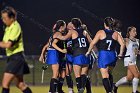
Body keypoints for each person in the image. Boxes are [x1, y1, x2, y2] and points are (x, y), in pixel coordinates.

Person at [86, 17, 125, 93]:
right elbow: (122, 44)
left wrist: (88, 52)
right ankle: (111, 89)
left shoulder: (101, 32)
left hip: (104, 55)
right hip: (113, 55)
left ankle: (109, 91)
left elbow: (92, 43)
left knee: (105, 76)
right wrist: (120, 54)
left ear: (104, 24)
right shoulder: (116, 33)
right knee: (109, 73)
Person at [0, 6, 32, 93]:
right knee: (20, 84)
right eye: (2, 18)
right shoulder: (8, 28)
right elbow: (4, 43)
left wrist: (2, 44)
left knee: (5, 84)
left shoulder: (15, 27)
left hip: (16, 58)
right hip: (14, 57)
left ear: (12, 18)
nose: (3, 20)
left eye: (5, 18)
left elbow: (8, 44)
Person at [57, 18, 92, 93]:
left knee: (77, 75)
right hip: (86, 55)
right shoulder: (84, 31)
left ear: (73, 25)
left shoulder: (72, 32)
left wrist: (56, 35)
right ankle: (83, 88)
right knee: (84, 74)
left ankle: (80, 89)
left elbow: (63, 38)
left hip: (77, 54)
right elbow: (92, 42)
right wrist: (89, 51)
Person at [113, 26, 140, 93]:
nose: (135, 32)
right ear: (129, 32)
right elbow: (118, 39)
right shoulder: (126, 40)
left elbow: (136, 51)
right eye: (133, 31)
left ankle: (115, 85)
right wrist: (118, 33)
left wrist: (138, 52)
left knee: (129, 78)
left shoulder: (137, 41)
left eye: (135, 31)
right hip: (129, 59)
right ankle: (134, 92)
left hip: (134, 60)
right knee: (137, 74)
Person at [46, 20, 67, 93]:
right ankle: (52, 91)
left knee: (57, 74)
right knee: (55, 74)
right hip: (54, 53)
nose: (65, 27)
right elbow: (53, 44)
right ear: (61, 27)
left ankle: (54, 90)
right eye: (65, 26)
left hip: (53, 53)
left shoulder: (55, 33)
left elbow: (49, 43)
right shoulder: (58, 33)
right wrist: (62, 50)